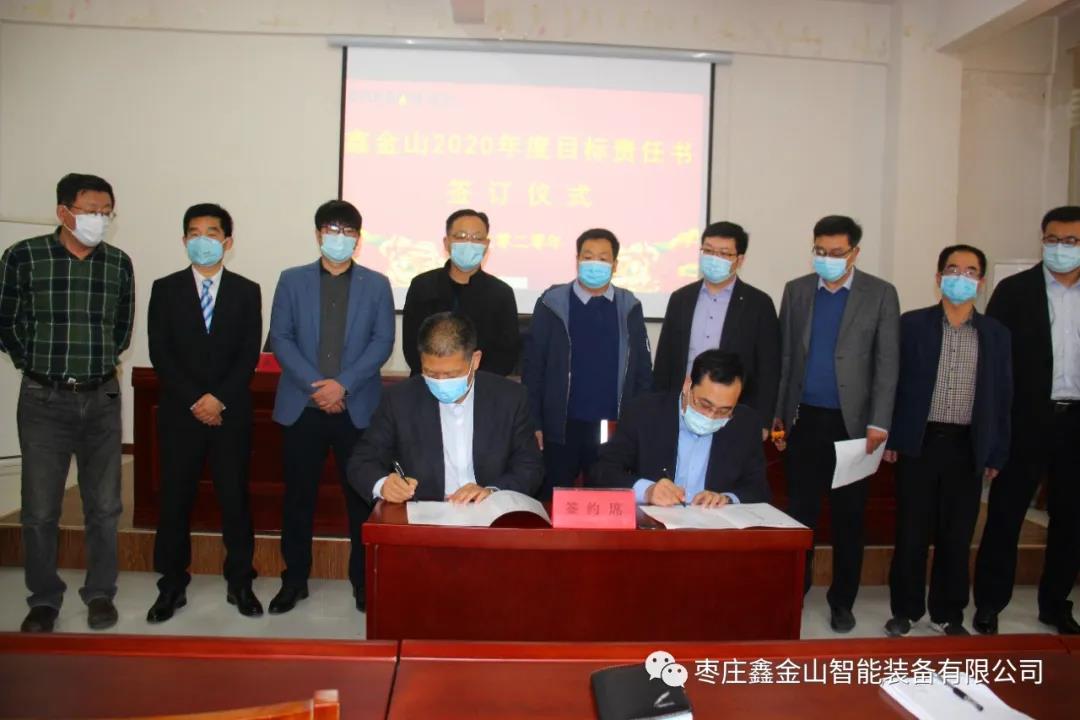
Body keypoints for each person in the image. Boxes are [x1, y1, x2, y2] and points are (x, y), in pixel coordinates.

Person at [0, 173, 134, 633]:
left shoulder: (118, 263)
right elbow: (6, 322)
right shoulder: (24, 256)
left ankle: (100, 593)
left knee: (105, 506)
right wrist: (34, 364)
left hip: (102, 396)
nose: (100, 219)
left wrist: (97, 366)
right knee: (40, 510)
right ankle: (43, 599)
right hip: (44, 398)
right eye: (91, 210)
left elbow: (121, 329)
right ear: (63, 212)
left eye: (106, 213)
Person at [773, 214, 900, 634]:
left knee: (849, 518)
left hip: (854, 427)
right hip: (804, 420)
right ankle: (795, 590)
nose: (826, 258)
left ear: (854, 252)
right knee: (800, 514)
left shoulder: (880, 294)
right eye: (820, 251)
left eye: (836, 252)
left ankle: (842, 601)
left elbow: (887, 364)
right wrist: (779, 416)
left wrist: (880, 422)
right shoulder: (796, 291)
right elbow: (786, 358)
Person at [267, 199, 394, 614]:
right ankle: (294, 580)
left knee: (361, 501)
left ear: (358, 239)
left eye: (348, 231)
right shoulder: (292, 280)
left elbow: (382, 342)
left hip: (357, 409)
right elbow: (281, 337)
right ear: (318, 234)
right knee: (298, 499)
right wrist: (318, 387)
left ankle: (363, 582)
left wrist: (343, 385)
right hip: (302, 407)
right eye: (331, 230)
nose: (339, 238)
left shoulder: (377, 284)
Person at [883, 245, 1011, 637]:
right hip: (919, 442)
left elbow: (1003, 397)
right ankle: (905, 610)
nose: (961, 277)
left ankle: (947, 613)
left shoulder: (996, 334)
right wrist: (892, 435)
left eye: (970, 271)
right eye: (953, 270)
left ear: (981, 282)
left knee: (956, 536)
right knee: (911, 532)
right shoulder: (912, 325)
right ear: (939, 278)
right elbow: (892, 383)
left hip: (967, 446)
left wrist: (996, 451)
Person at [145, 203, 263, 623]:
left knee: (235, 499)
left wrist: (219, 399)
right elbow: (161, 353)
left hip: (230, 413)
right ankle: (171, 585)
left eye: (212, 233)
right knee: (175, 500)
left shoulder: (247, 290)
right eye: (194, 233)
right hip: (181, 413)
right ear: (184, 240)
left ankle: (240, 581)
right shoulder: (165, 288)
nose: (203, 241)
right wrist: (197, 399)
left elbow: (249, 354)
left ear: (227, 242)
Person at [974, 206, 1080, 635]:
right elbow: (994, 363)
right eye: (1053, 239)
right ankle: (989, 604)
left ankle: (1055, 604)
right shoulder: (1014, 291)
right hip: (1025, 420)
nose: (1060, 248)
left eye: (1071, 241)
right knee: (1006, 514)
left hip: (1076, 421)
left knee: (1071, 519)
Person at [349, 312, 542, 503]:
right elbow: (361, 461)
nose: (440, 382)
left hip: (488, 511)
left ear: (475, 360)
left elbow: (530, 467)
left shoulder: (510, 398)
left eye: (451, 375)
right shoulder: (399, 400)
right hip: (424, 512)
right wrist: (383, 485)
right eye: (431, 373)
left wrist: (492, 492)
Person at [523, 228, 652, 499]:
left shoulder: (629, 305)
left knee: (605, 501)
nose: (595, 263)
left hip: (610, 426)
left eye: (603, 258)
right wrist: (534, 422)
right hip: (560, 425)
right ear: (577, 260)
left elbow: (642, 371)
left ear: (615, 265)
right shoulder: (552, 302)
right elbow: (533, 368)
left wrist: (639, 426)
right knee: (553, 499)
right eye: (588, 256)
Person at [593, 349, 770, 506]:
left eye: (724, 410)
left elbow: (758, 489)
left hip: (714, 527)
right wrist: (647, 491)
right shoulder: (643, 413)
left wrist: (727, 499)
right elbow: (603, 471)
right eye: (704, 405)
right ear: (687, 385)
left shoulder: (746, 424)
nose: (710, 416)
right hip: (654, 525)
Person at [653, 221, 779, 438]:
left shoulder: (758, 304)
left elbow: (769, 368)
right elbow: (665, 359)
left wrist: (763, 421)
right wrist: (657, 407)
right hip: (683, 408)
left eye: (724, 253)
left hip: (733, 411)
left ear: (740, 259)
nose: (714, 258)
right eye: (709, 251)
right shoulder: (681, 298)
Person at [402, 209, 520, 376]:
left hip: (482, 385)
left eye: (477, 238)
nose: (469, 244)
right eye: (461, 236)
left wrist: (469, 381)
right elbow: (411, 346)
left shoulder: (501, 293)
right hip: (428, 381)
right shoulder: (422, 286)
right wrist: (439, 376)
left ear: (486, 245)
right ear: (446, 242)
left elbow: (506, 354)